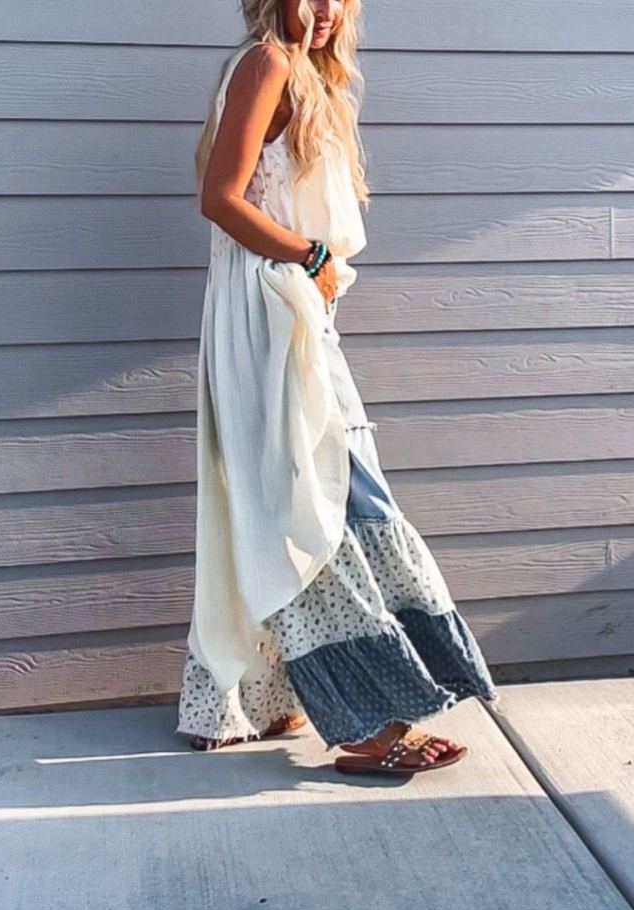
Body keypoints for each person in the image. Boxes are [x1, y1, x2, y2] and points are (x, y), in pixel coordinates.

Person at [176, 0, 501, 775]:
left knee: (294, 498)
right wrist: (311, 255)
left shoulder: (307, 77)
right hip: (267, 312)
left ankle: (256, 697)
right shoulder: (267, 63)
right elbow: (220, 197)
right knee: (332, 498)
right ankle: (369, 721)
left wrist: (309, 269)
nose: (323, 8)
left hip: (283, 310)